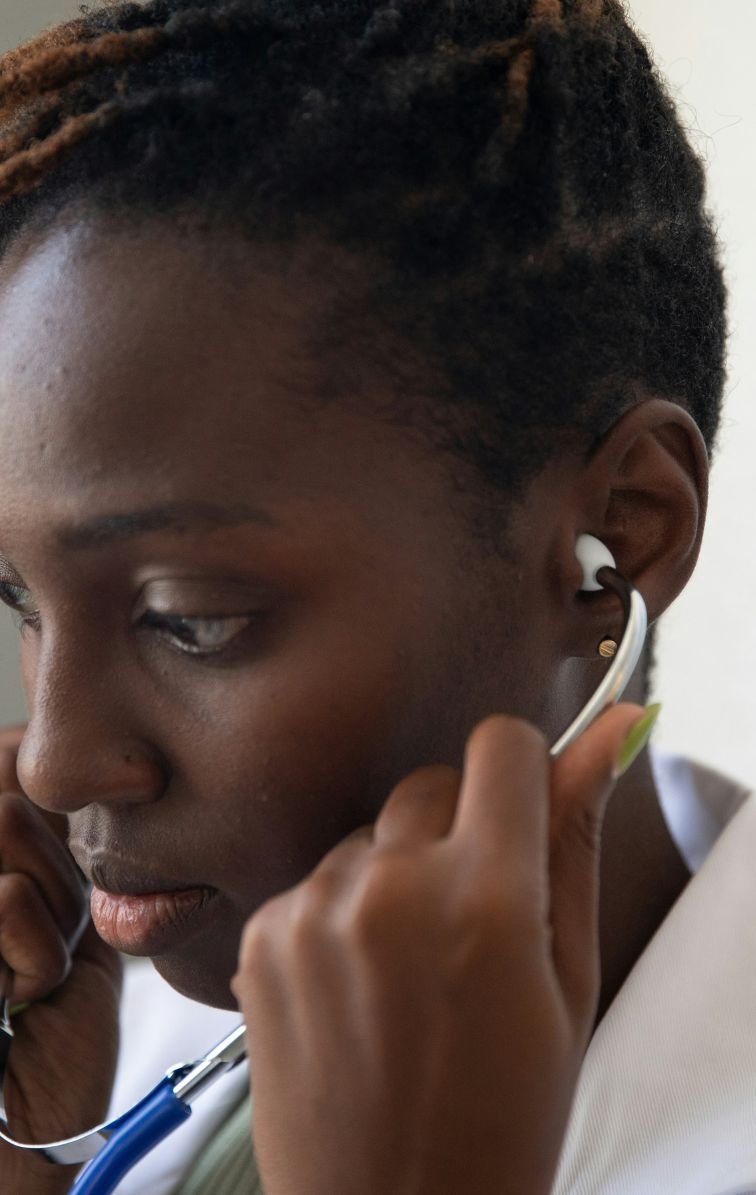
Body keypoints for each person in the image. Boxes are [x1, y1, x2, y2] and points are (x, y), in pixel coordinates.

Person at [0, 0, 747, 1191]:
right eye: (23, 601)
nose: (53, 761)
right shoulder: (127, 1071)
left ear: (620, 540)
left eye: (191, 615)